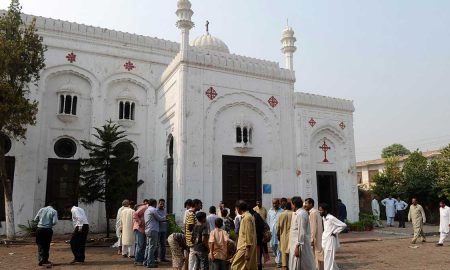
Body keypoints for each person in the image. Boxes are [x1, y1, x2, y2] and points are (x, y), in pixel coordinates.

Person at [288, 196, 315, 270]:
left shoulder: (301, 214)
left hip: (299, 245)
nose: (291, 206)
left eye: (291, 204)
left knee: (299, 264)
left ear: (294, 205)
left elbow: (301, 231)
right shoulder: (299, 213)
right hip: (296, 243)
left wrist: (297, 246)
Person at [231, 200, 257, 270]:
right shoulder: (247, 216)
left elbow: (248, 234)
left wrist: (247, 251)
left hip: (245, 247)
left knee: (235, 266)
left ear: (238, 209)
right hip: (244, 246)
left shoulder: (247, 218)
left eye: (236, 208)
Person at [319, 203, 347, 270]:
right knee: (327, 257)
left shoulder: (331, 218)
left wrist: (335, 232)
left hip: (330, 240)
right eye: (319, 210)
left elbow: (343, 225)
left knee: (328, 258)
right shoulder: (323, 218)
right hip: (325, 240)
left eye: (321, 210)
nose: (319, 212)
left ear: (325, 211)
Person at [144, 198, 167, 268]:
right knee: (152, 247)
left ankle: (145, 262)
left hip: (148, 229)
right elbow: (159, 218)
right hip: (153, 230)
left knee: (148, 246)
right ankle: (150, 263)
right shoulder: (153, 210)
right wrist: (166, 218)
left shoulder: (147, 210)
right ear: (154, 203)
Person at [304, 198, 324, 270]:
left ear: (311, 204)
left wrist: (312, 239)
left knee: (315, 254)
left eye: (306, 203)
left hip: (315, 236)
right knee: (318, 253)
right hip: (319, 235)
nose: (305, 205)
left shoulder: (312, 213)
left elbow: (313, 227)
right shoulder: (316, 211)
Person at [185, 199, 203, 270]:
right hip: (192, 239)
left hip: (192, 238)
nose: (200, 207)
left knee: (193, 256)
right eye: (200, 205)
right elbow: (189, 227)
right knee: (193, 256)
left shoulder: (192, 213)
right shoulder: (191, 214)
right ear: (195, 204)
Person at [276, 200, 293, 270]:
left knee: (284, 252)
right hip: (292, 237)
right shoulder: (294, 214)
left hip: (283, 236)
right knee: (291, 252)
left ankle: (285, 266)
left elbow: (278, 227)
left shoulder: (281, 215)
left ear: (285, 207)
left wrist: (278, 235)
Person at [267, 198, 284, 268]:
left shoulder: (282, 211)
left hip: (279, 232)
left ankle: (278, 261)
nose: (274, 205)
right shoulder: (270, 211)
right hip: (271, 232)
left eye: (276, 203)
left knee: (279, 247)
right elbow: (268, 221)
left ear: (278, 203)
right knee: (272, 246)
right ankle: (277, 257)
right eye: (273, 203)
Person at [133, 198, 149, 265]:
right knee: (140, 245)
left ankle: (140, 259)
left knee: (142, 245)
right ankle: (138, 260)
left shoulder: (148, 208)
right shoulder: (144, 207)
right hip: (139, 228)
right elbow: (135, 214)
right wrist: (140, 222)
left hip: (142, 229)